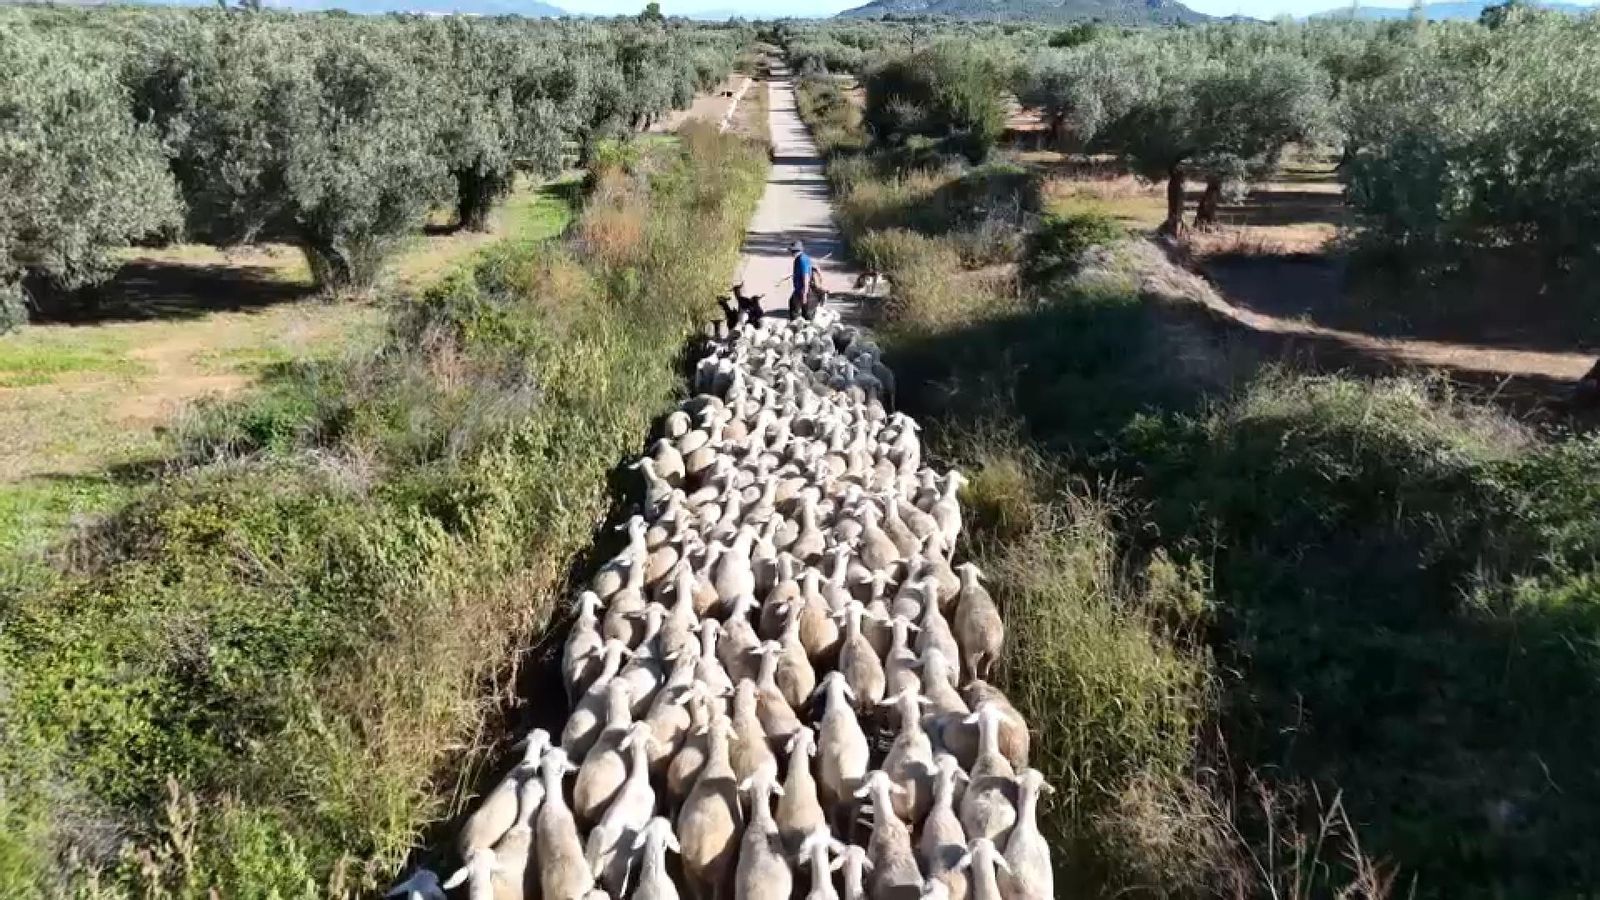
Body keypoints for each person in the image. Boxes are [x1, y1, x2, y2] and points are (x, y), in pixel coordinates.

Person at [788, 240, 823, 320]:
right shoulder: (800, 259)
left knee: (807, 316)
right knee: (794, 307)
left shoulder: (802, 260)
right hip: (799, 291)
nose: (791, 253)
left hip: (806, 291)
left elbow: (806, 276)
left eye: (792, 251)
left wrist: (804, 294)